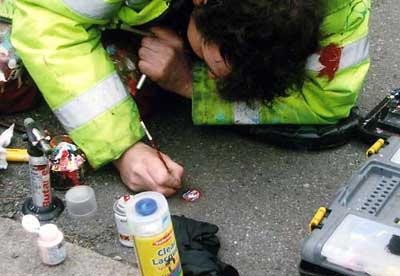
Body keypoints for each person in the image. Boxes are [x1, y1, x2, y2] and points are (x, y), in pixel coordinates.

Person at [10, 0, 370, 196]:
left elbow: (324, 99)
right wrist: (124, 147)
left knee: (137, 86)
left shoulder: (341, 8)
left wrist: (188, 82)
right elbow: (48, 22)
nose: (215, 77)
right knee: (10, 76)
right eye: (218, 64)